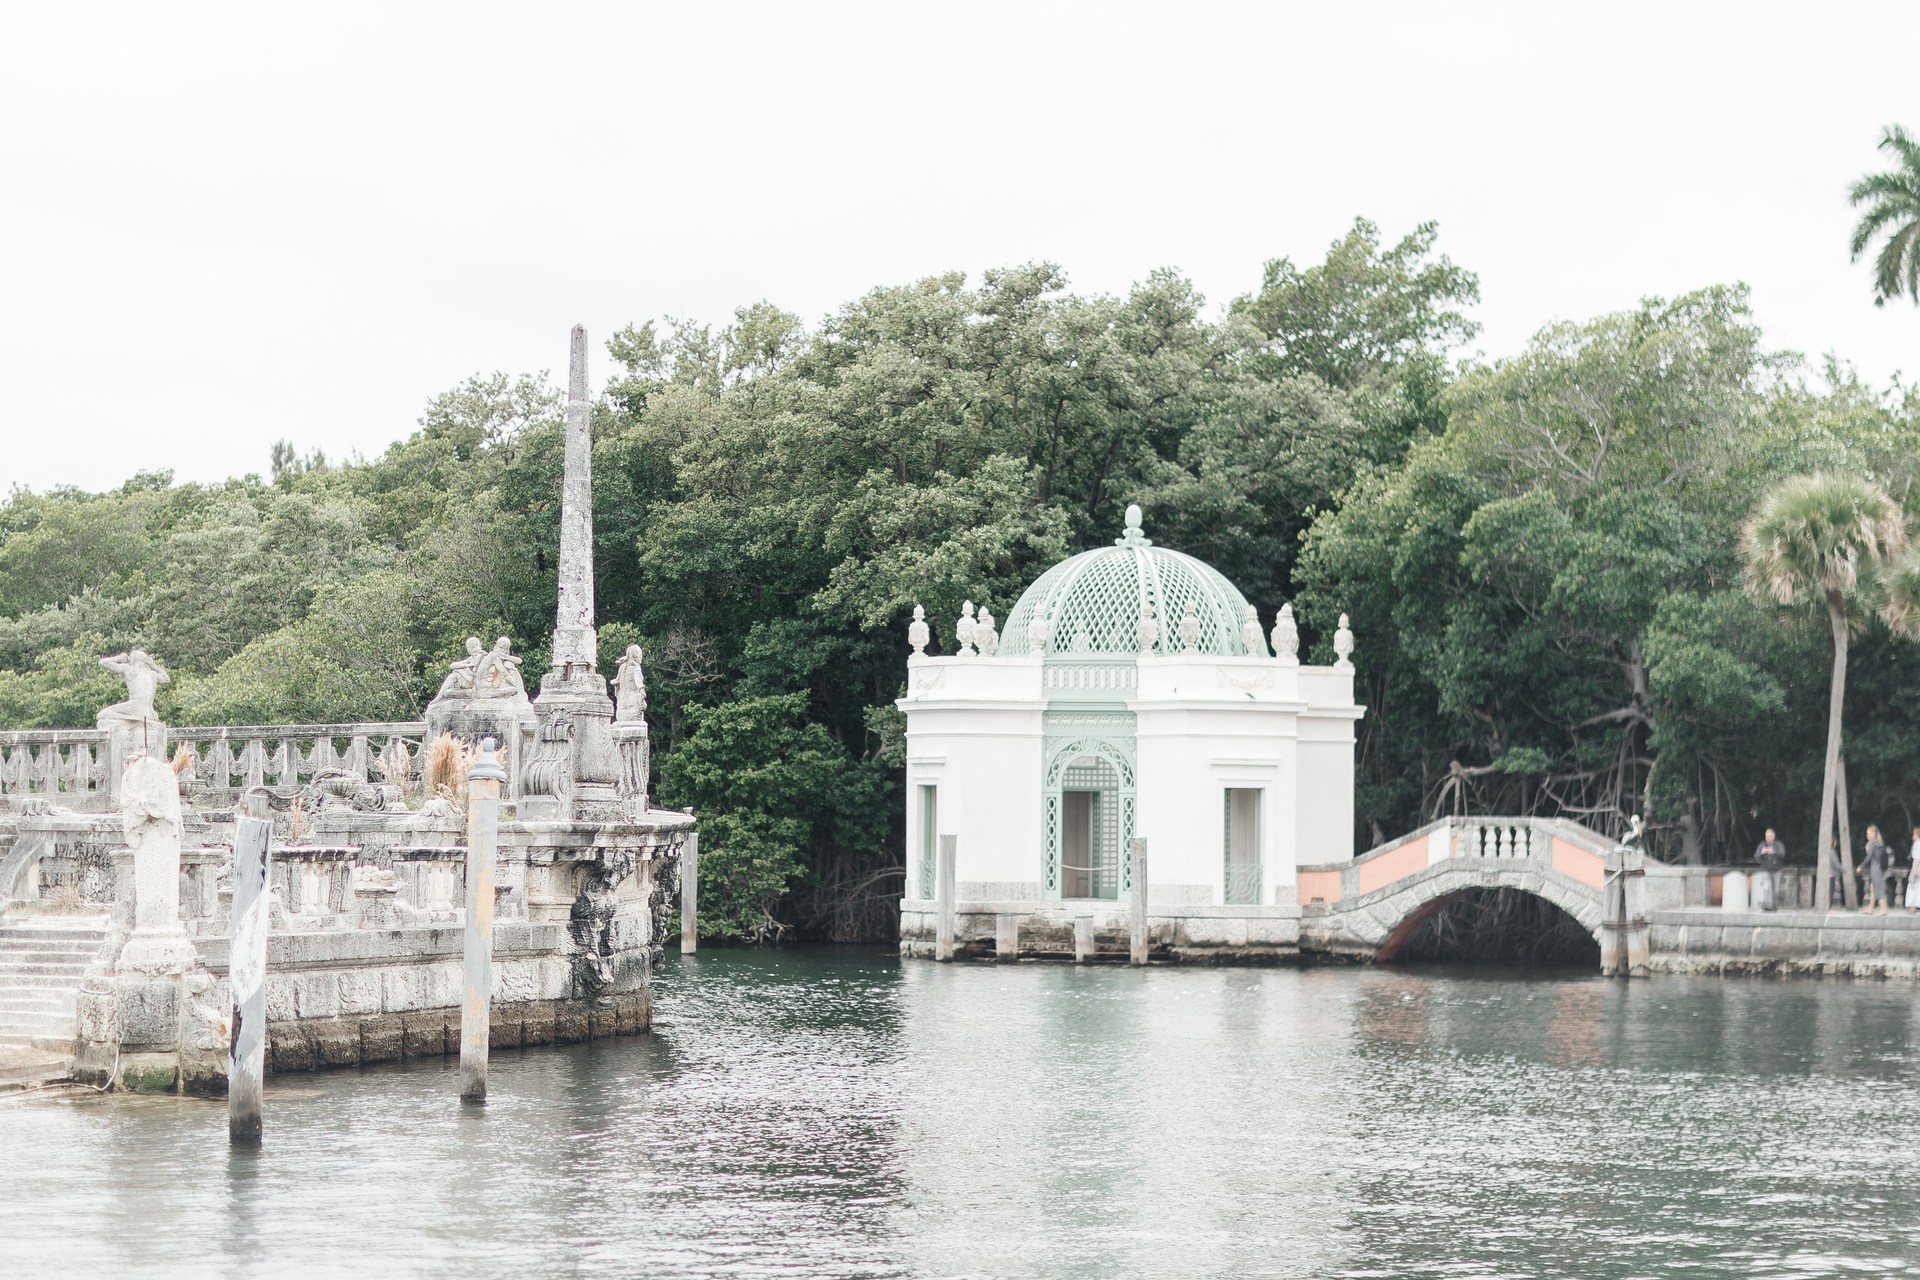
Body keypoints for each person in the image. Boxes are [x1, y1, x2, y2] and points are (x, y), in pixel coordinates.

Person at [1753, 828, 1785, 912]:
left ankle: (1774, 906)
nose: (1767, 838)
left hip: (1776, 870)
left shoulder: (1778, 845)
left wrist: (1774, 852)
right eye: (1766, 836)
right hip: (1765, 870)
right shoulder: (1762, 845)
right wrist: (1762, 853)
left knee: (1775, 890)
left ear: (1773, 836)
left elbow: (1782, 855)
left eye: (1769, 836)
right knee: (1766, 888)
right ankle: (1767, 906)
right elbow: (1756, 857)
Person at [1863, 825, 1893, 915]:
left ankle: (1883, 909)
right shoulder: (1879, 843)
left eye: (1868, 833)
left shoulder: (1873, 844)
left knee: (1879, 889)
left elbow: (1869, 857)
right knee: (1873, 889)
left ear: (1873, 833)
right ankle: (1870, 908)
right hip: (1878, 868)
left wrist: (1861, 866)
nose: (1866, 835)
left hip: (1876, 869)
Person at [1908, 828, 1920, 912]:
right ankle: (1913, 905)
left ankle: (1913, 905)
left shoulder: (1917, 844)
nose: (1913, 836)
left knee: (1914, 885)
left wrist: (1915, 868)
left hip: (1917, 867)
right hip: (1916, 866)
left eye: (1914, 834)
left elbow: (1917, 858)